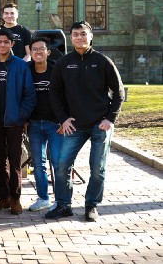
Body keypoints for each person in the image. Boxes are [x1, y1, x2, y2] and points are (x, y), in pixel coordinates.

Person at [46, 21, 124, 222]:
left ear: (90, 37)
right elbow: (54, 93)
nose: (79, 37)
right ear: (70, 38)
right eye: (75, 34)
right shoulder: (64, 63)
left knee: (97, 168)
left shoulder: (102, 61)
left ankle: (91, 205)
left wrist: (110, 118)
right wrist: (63, 119)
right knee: (62, 165)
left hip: (100, 124)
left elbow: (119, 92)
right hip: (75, 125)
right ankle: (63, 205)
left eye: (83, 34)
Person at [0, 28, 36, 215]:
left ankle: (16, 198)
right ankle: (4, 196)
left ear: (12, 44)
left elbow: (29, 95)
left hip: (14, 121)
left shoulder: (21, 66)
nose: (2, 45)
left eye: (6, 42)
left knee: (14, 160)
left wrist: (20, 115)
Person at [26, 36, 61, 212]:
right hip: (34, 124)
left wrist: (65, 119)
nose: (38, 52)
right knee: (39, 163)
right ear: (30, 53)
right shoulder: (27, 70)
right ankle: (43, 198)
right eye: (35, 49)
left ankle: (60, 199)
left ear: (48, 52)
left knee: (57, 162)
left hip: (55, 124)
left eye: (42, 49)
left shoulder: (57, 70)